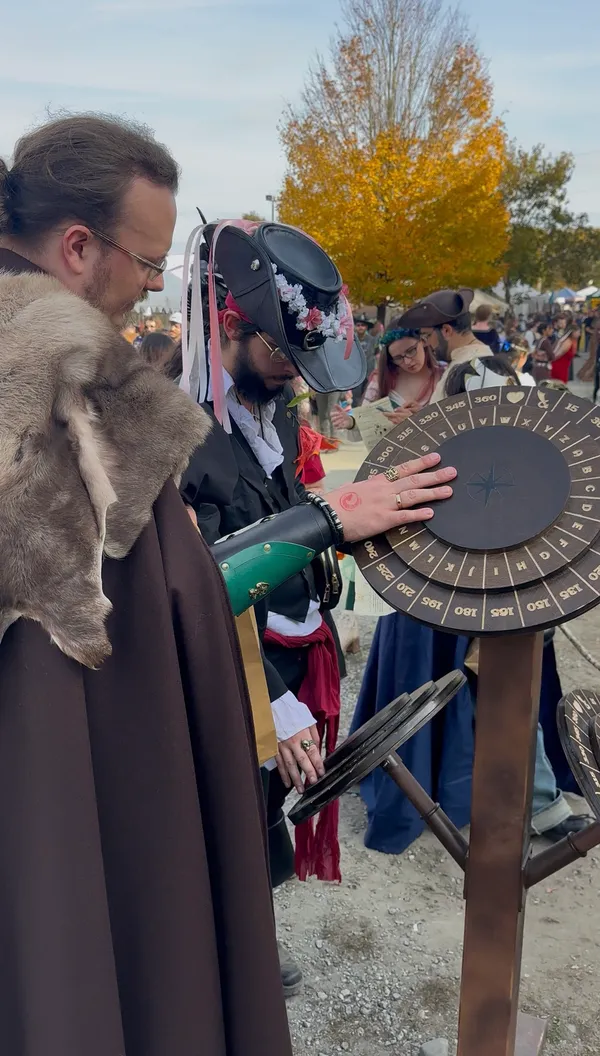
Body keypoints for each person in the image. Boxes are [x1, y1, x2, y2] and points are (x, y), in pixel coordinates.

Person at [0, 114, 457, 1056]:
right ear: (78, 247)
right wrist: (325, 528)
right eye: (142, 260)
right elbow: (176, 598)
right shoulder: (72, 372)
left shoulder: (258, 417)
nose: (151, 285)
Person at [352, 345, 593, 854]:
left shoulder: (530, 450)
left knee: (512, 697)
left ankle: (537, 803)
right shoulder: (434, 444)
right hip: (438, 591)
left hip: (513, 595)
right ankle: (507, 804)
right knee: (459, 694)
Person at [330, 322, 442, 434]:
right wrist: (351, 422)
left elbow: (455, 422)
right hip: (393, 450)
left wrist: (421, 419)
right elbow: (367, 420)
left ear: (423, 341)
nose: (407, 361)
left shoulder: (444, 376)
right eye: (398, 358)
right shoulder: (381, 379)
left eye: (411, 351)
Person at [397, 287, 493, 399]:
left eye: (427, 335)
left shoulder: (470, 368)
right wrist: (421, 414)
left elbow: (470, 416)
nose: (425, 343)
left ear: (446, 330)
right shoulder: (469, 360)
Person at [351, 313, 378, 405]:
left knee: (367, 397)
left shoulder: (372, 340)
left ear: (366, 327)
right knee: (355, 398)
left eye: (363, 325)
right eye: (358, 325)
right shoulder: (351, 340)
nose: (360, 327)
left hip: (369, 373)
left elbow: (377, 354)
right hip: (355, 374)